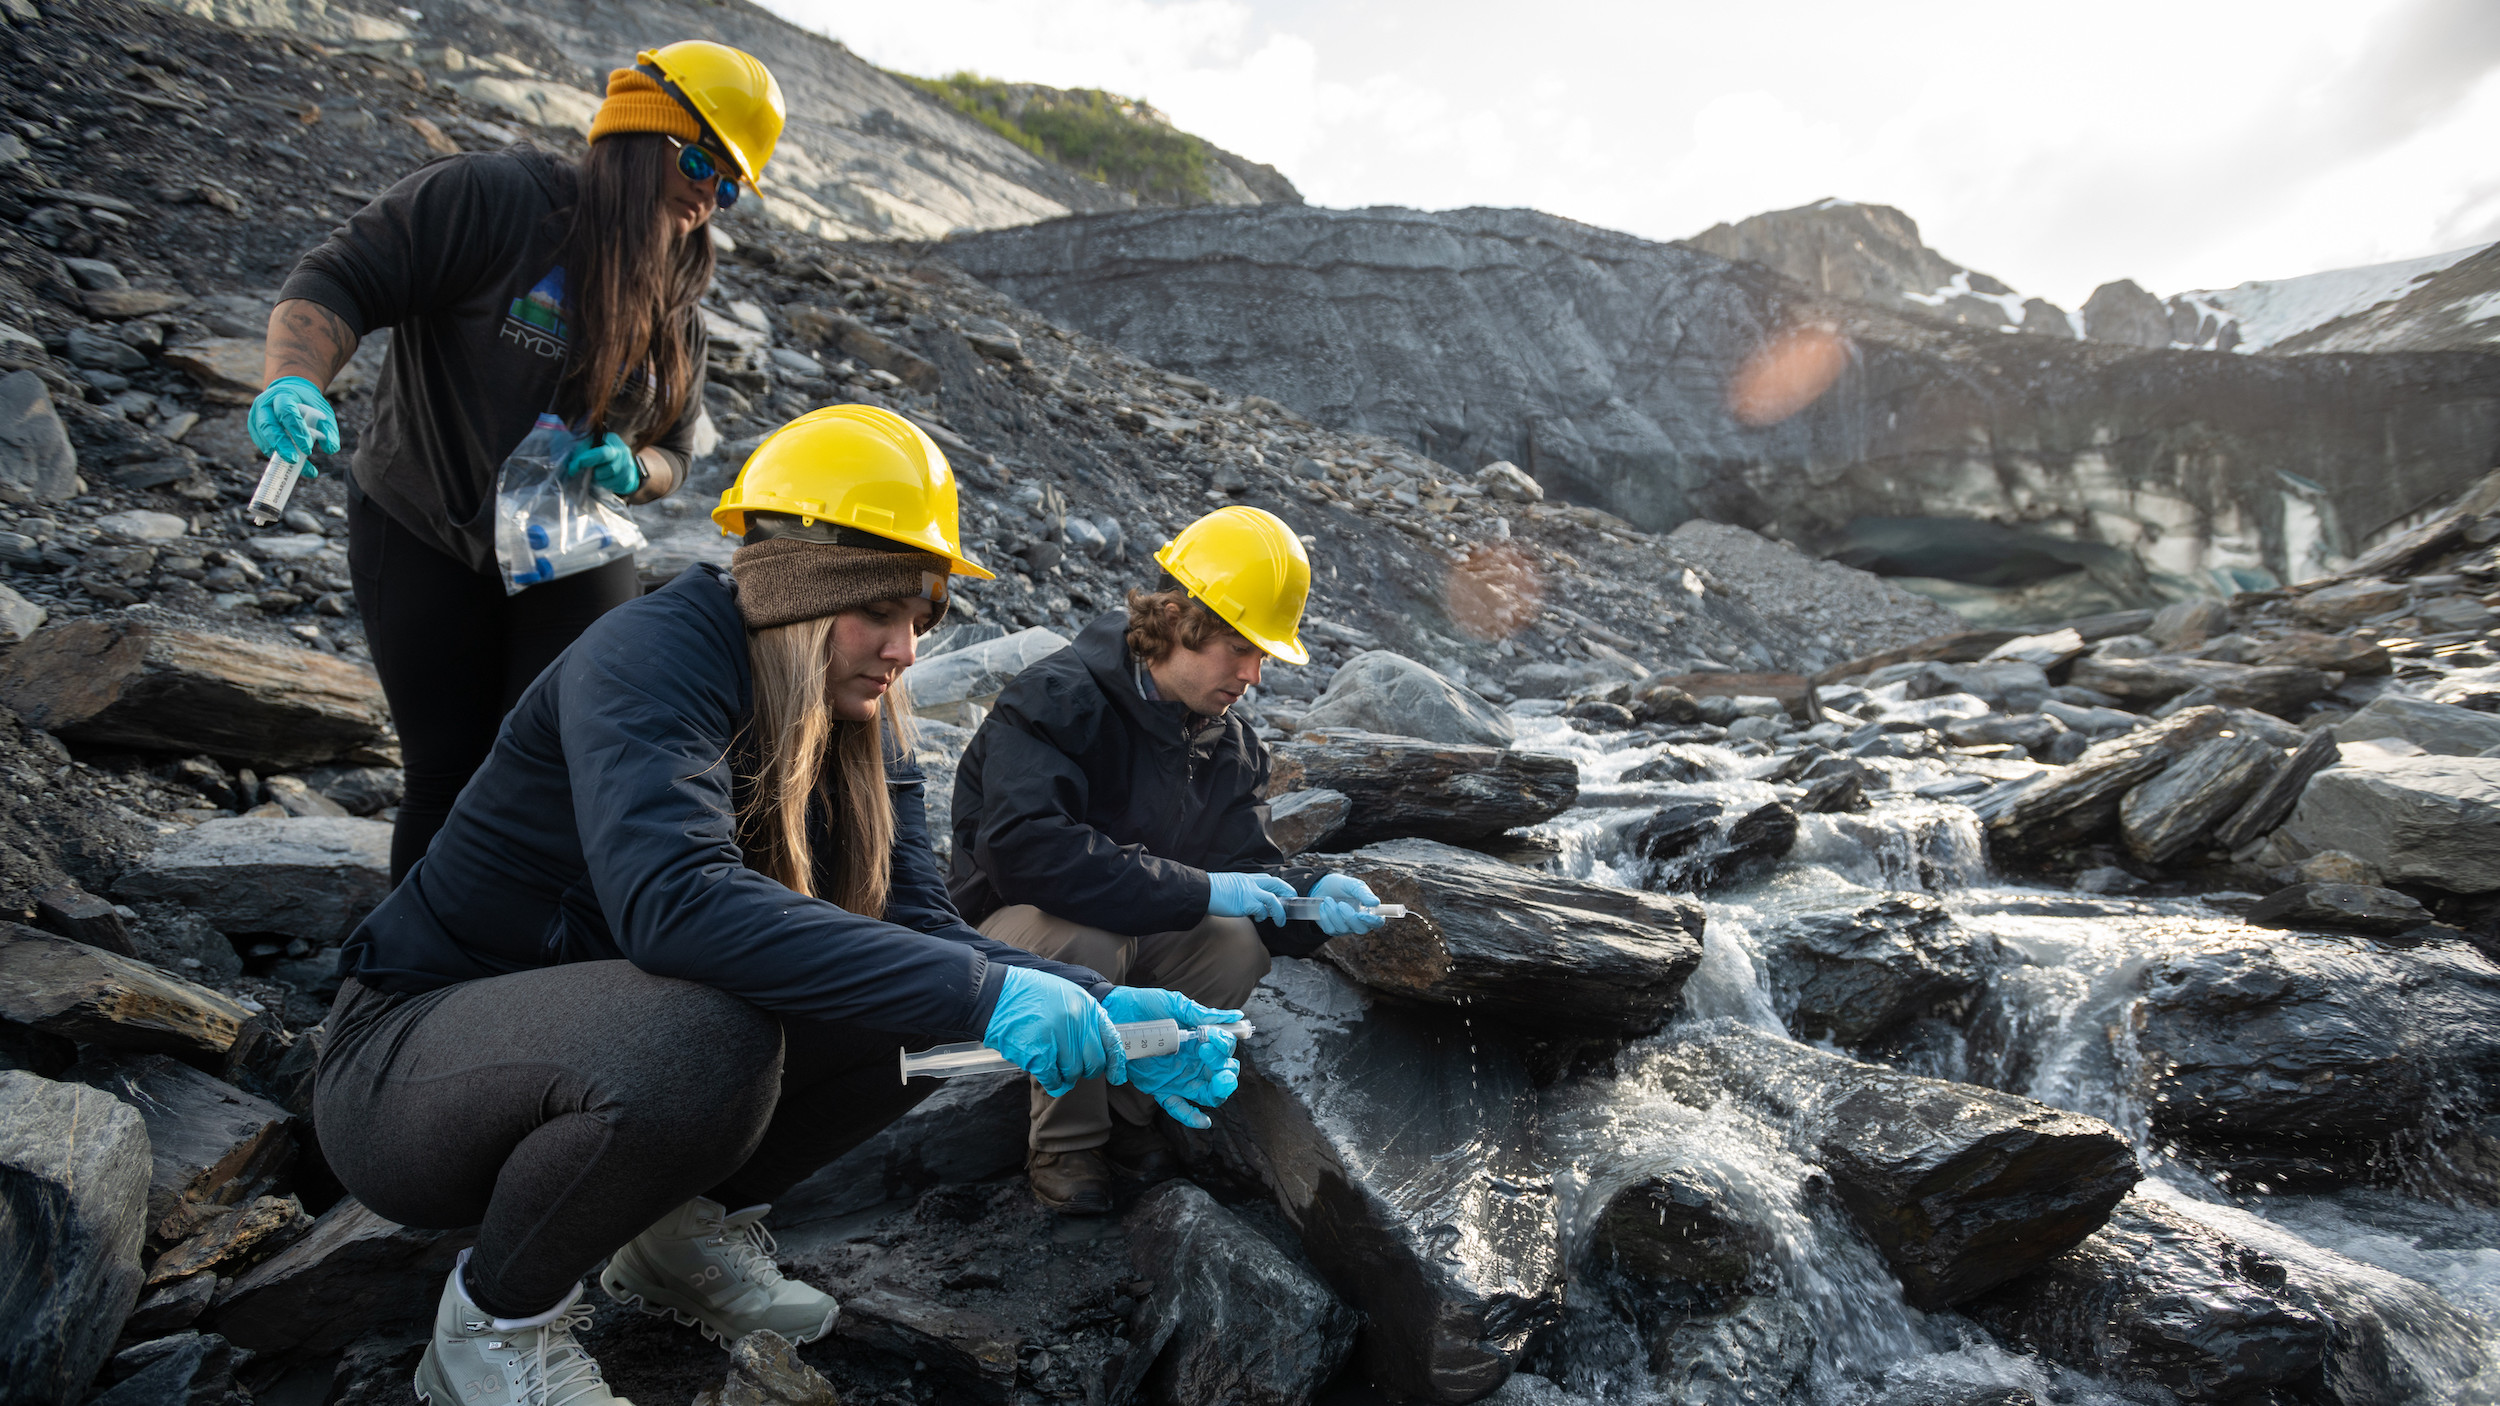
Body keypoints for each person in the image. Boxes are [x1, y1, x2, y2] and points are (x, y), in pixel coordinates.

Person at [311, 405, 1245, 1406]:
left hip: (583, 1049)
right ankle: (490, 1330)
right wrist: (992, 992)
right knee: (714, 1035)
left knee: (937, 1004)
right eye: (880, 611)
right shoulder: (651, 657)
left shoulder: (860, 712)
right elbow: (673, 906)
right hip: (410, 1071)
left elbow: (917, 921)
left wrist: (1097, 1004)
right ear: (800, 583)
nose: (902, 649)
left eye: (922, 618)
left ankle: (682, 1237)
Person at [252, 41, 783, 884]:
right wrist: (295, 382)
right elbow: (340, 277)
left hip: (567, 555)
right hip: (424, 524)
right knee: (445, 772)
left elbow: (676, 454)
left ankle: (514, 971)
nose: (707, 199)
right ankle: (401, 988)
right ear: (641, 134)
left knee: (552, 769)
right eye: (700, 162)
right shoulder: (494, 201)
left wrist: (632, 470)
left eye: (729, 187)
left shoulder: (676, 303)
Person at [949, 505, 1389, 1214]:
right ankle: (1068, 1145)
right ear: (1178, 621)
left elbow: (1244, 874)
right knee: (1086, 942)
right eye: (1239, 648)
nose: (1252, 673)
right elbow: (1027, 853)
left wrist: (1310, 899)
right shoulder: (1055, 699)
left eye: (1262, 656)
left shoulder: (1230, 745)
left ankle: (1131, 1112)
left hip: (1136, 920)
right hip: (1007, 930)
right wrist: (1204, 888)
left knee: (1232, 945)